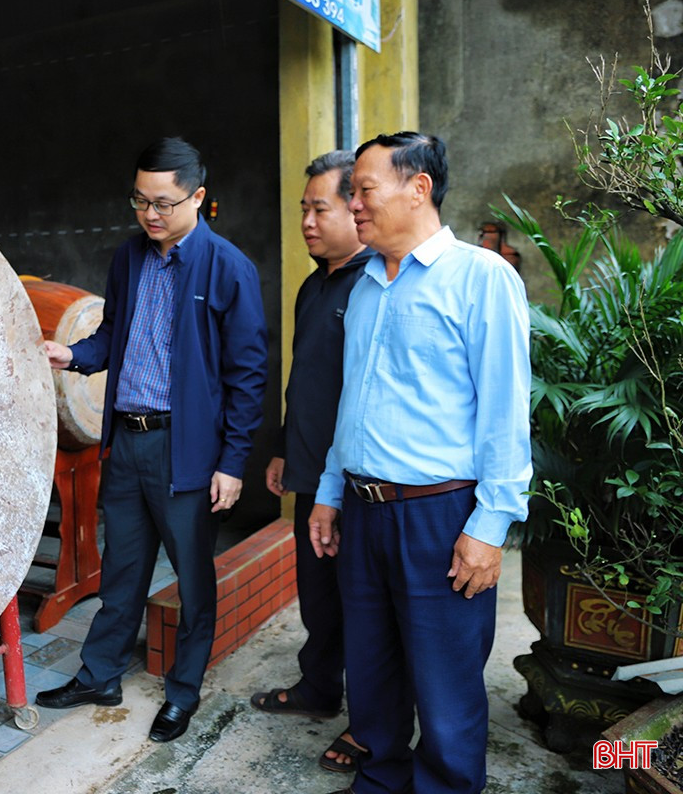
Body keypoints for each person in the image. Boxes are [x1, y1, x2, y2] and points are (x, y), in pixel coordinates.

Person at [309, 132, 531, 794]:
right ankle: (379, 779)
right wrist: (328, 490)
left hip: (439, 513)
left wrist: (490, 525)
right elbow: (353, 402)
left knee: (445, 679)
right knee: (371, 669)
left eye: (364, 191)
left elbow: (504, 410)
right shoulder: (369, 285)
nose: (354, 206)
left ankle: (446, 786)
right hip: (364, 508)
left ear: (420, 188)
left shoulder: (481, 277)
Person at [36, 136, 268, 743]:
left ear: (198, 197)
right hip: (128, 443)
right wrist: (73, 355)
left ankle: (183, 691)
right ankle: (100, 674)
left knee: (192, 578)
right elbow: (114, 335)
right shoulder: (129, 258)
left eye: (164, 203)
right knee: (123, 570)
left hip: (185, 450)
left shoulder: (228, 268)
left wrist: (232, 462)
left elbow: (249, 375)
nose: (151, 214)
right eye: (140, 201)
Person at [249, 150, 374, 775]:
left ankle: (372, 724)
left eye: (319, 208)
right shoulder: (314, 284)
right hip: (310, 474)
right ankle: (318, 688)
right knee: (319, 599)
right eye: (304, 209)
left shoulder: (376, 285)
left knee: (366, 608)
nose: (307, 221)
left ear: (357, 208)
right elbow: (308, 382)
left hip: (360, 483)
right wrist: (281, 446)